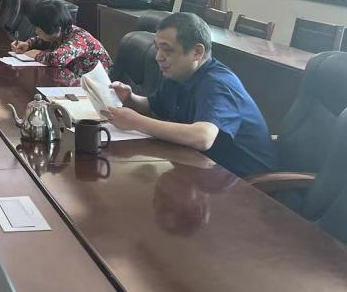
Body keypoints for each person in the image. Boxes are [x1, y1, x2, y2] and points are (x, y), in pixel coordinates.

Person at [105, 12, 277, 178]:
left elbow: (203, 137)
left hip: (245, 183)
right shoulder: (178, 74)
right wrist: (130, 98)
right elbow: (152, 105)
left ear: (197, 52)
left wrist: (136, 122)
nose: (158, 57)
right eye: (157, 49)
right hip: (204, 169)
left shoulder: (218, 83)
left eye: (167, 50)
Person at [10, 0, 110, 85]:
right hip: (77, 81)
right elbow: (43, 39)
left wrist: (37, 54)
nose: (36, 32)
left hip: (96, 87)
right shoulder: (62, 32)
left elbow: (57, 59)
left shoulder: (79, 39)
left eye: (40, 30)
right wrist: (28, 44)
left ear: (57, 28)